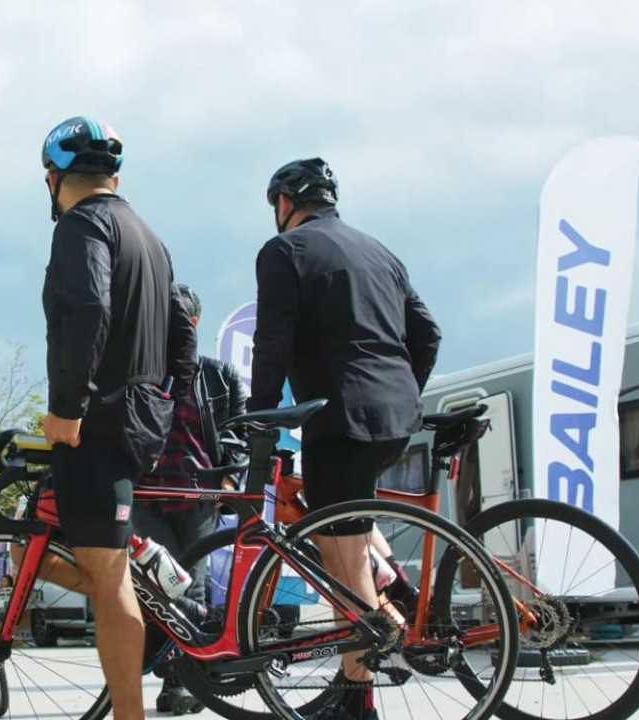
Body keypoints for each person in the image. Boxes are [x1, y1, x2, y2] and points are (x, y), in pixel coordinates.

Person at [250, 157, 441, 720]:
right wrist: (402, 391)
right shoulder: (379, 250)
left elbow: (273, 340)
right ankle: (360, 663)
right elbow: (426, 332)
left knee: (340, 554)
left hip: (341, 417)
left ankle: (357, 697)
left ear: (286, 202)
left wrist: (260, 418)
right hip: (395, 418)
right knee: (347, 541)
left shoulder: (284, 251)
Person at [39, 115, 196, 720]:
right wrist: (169, 400)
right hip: (141, 417)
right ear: (116, 173)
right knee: (108, 566)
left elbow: (89, 308)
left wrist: (67, 410)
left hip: (97, 421)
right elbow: (182, 326)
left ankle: (129, 715)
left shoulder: (82, 226)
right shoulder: (148, 235)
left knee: (108, 581)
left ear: (52, 178)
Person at [133, 284, 245, 714]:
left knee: (190, 584)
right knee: (160, 585)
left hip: (198, 497)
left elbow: (236, 431)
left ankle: (181, 681)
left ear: (193, 323)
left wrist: (230, 479)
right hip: (146, 496)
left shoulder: (219, 375)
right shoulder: (142, 373)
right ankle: (170, 669)